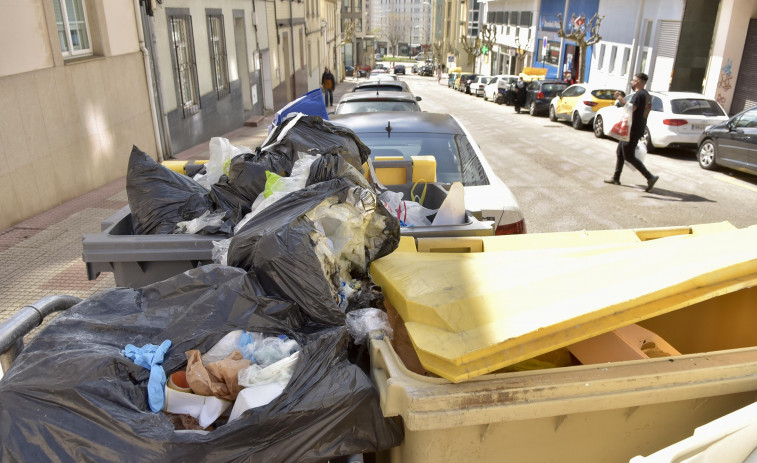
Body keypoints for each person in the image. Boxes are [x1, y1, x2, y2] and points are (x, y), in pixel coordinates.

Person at [604, 72, 659, 191]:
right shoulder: (647, 95)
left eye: (634, 80)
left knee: (629, 156)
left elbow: (631, 108)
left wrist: (619, 97)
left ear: (638, 82)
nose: (632, 82)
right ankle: (616, 177)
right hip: (637, 127)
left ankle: (650, 177)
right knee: (620, 151)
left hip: (632, 129)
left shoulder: (639, 95)